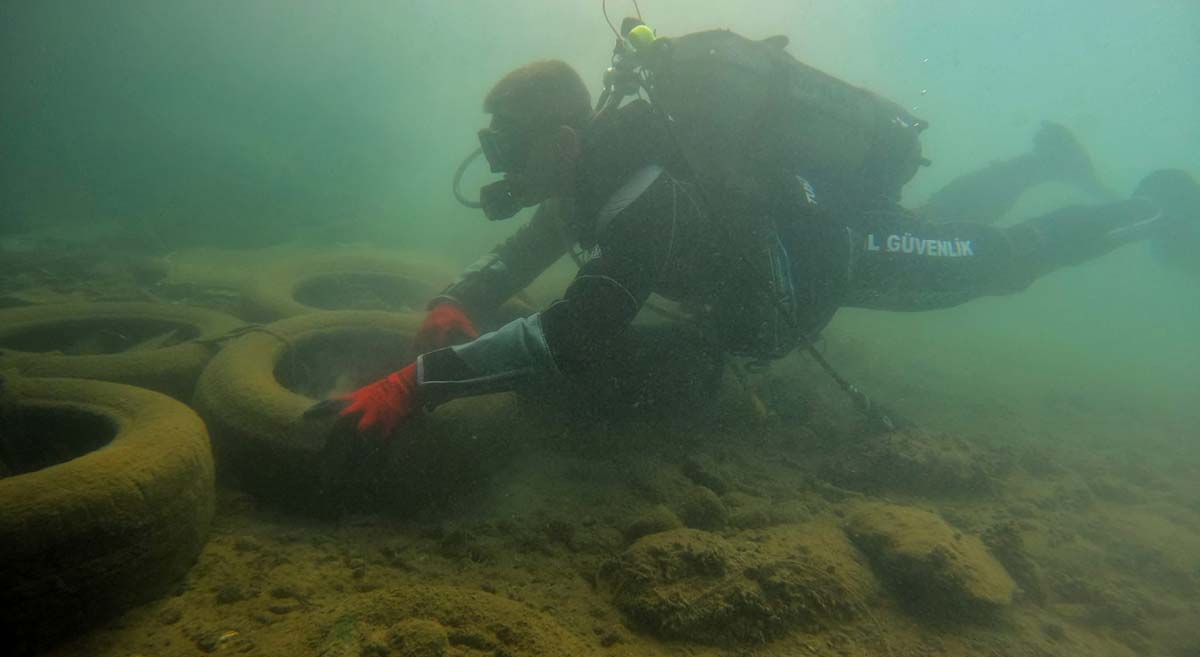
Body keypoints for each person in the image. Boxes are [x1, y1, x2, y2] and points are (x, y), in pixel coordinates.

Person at [307, 27, 1199, 443]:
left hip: (838, 257)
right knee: (939, 227)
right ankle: (1039, 162)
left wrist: (416, 384)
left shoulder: (640, 192)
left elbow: (570, 332)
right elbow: (525, 247)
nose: (498, 166)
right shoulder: (591, 180)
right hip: (834, 217)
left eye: (509, 149)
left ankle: (1157, 207)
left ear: (564, 141)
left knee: (992, 261)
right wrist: (459, 299)